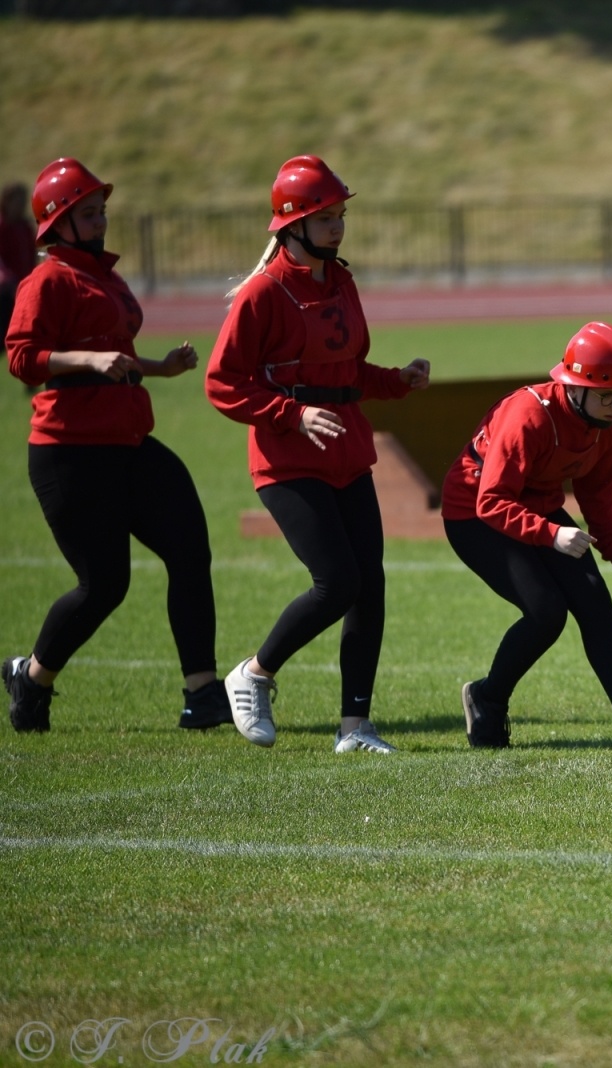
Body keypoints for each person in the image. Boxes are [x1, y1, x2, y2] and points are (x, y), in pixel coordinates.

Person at [206, 155, 431, 754]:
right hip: (285, 460)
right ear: (291, 224)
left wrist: (395, 380)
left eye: (341, 215)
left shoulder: (342, 281)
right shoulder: (262, 294)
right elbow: (222, 384)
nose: (337, 227)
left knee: (370, 586)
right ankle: (253, 673)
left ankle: (356, 728)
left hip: (347, 450)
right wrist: (293, 414)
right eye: (324, 217)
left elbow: (346, 370)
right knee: (337, 583)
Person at [3, 158, 227, 734]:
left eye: (102, 210)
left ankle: (202, 694)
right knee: (105, 585)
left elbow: (113, 357)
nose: (102, 220)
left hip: (129, 441)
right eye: (88, 212)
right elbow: (22, 358)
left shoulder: (105, 276)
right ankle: (31, 677)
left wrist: (159, 367)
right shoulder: (46, 279)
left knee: (189, 548)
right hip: (69, 451)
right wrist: (90, 359)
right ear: (58, 222)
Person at [441, 321, 612, 751]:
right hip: (474, 514)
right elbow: (491, 501)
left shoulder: (610, 427)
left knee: (593, 597)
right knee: (546, 612)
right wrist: (552, 534)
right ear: (574, 387)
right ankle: (486, 699)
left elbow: (597, 496)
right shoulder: (528, 415)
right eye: (607, 394)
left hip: (537, 507)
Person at [2, 181, 37, 347]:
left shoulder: (25, 227)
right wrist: (7, 279)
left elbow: (32, 255)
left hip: (23, 285)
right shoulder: (2, 226)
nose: (22, 205)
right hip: (5, 289)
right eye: (18, 201)